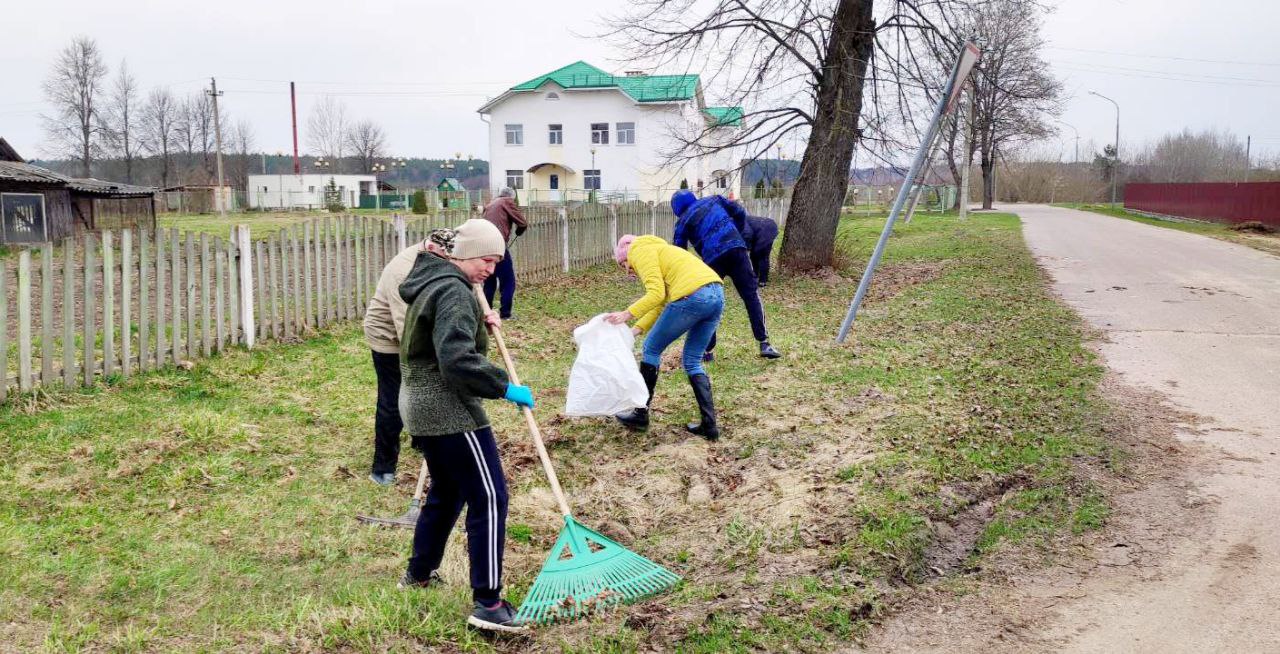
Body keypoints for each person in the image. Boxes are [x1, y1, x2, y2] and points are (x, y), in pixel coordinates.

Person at [396, 218, 534, 634]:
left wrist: (480, 319)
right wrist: (504, 386)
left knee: (447, 492)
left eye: (497, 262)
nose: (492, 269)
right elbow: (455, 360)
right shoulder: (454, 290)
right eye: (488, 260)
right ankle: (489, 604)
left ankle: (418, 574)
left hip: (419, 405)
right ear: (464, 254)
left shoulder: (434, 282)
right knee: (489, 495)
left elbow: (439, 337)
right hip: (449, 409)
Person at [606, 234, 725, 440]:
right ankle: (710, 425)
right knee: (693, 361)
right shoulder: (662, 252)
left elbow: (656, 294)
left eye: (623, 265)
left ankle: (640, 413)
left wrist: (627, 314)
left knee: (651, 349)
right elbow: (660, 302)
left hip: (693, 295)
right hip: (716, 293)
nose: (628, 271)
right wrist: (634, 330)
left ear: (626, 256)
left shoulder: (638, 251)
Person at [361, 231, 453, 486]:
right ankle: (383, 467)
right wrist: (437, 359)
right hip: (387, 336)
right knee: (394, 400)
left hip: (417, 329)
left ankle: (421, 439)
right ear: (431, 247)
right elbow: (408, 329)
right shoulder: (404, 271)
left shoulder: (438, 259)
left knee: (418, 390)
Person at [670, 189, 781, 360]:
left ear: (676, 210)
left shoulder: (683, 222)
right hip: (737, 249)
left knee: (709, 301)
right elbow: (739, 211)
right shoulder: (715, 199)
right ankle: (764, 343)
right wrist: (737, 230)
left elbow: (679, 253)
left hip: (713, 259)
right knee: (751, 295)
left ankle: (707, 351)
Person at [480, 187, 529, 320]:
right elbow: (523, 223)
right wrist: (519, 231)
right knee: (508, 281)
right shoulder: (507, 201)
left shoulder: (491, 204)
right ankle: (505, 314)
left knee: (489, 280)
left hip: (484, 246)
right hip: (497, 246)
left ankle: (486, 313)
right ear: (511, 197)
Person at [742, 215, 780, 287]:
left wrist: (747, 248)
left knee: (762, 256)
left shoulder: (739, 221)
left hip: (766, 231)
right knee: (753, 255)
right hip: (765, 228)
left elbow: (747, 234)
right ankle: (755, 276)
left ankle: (763, 280)